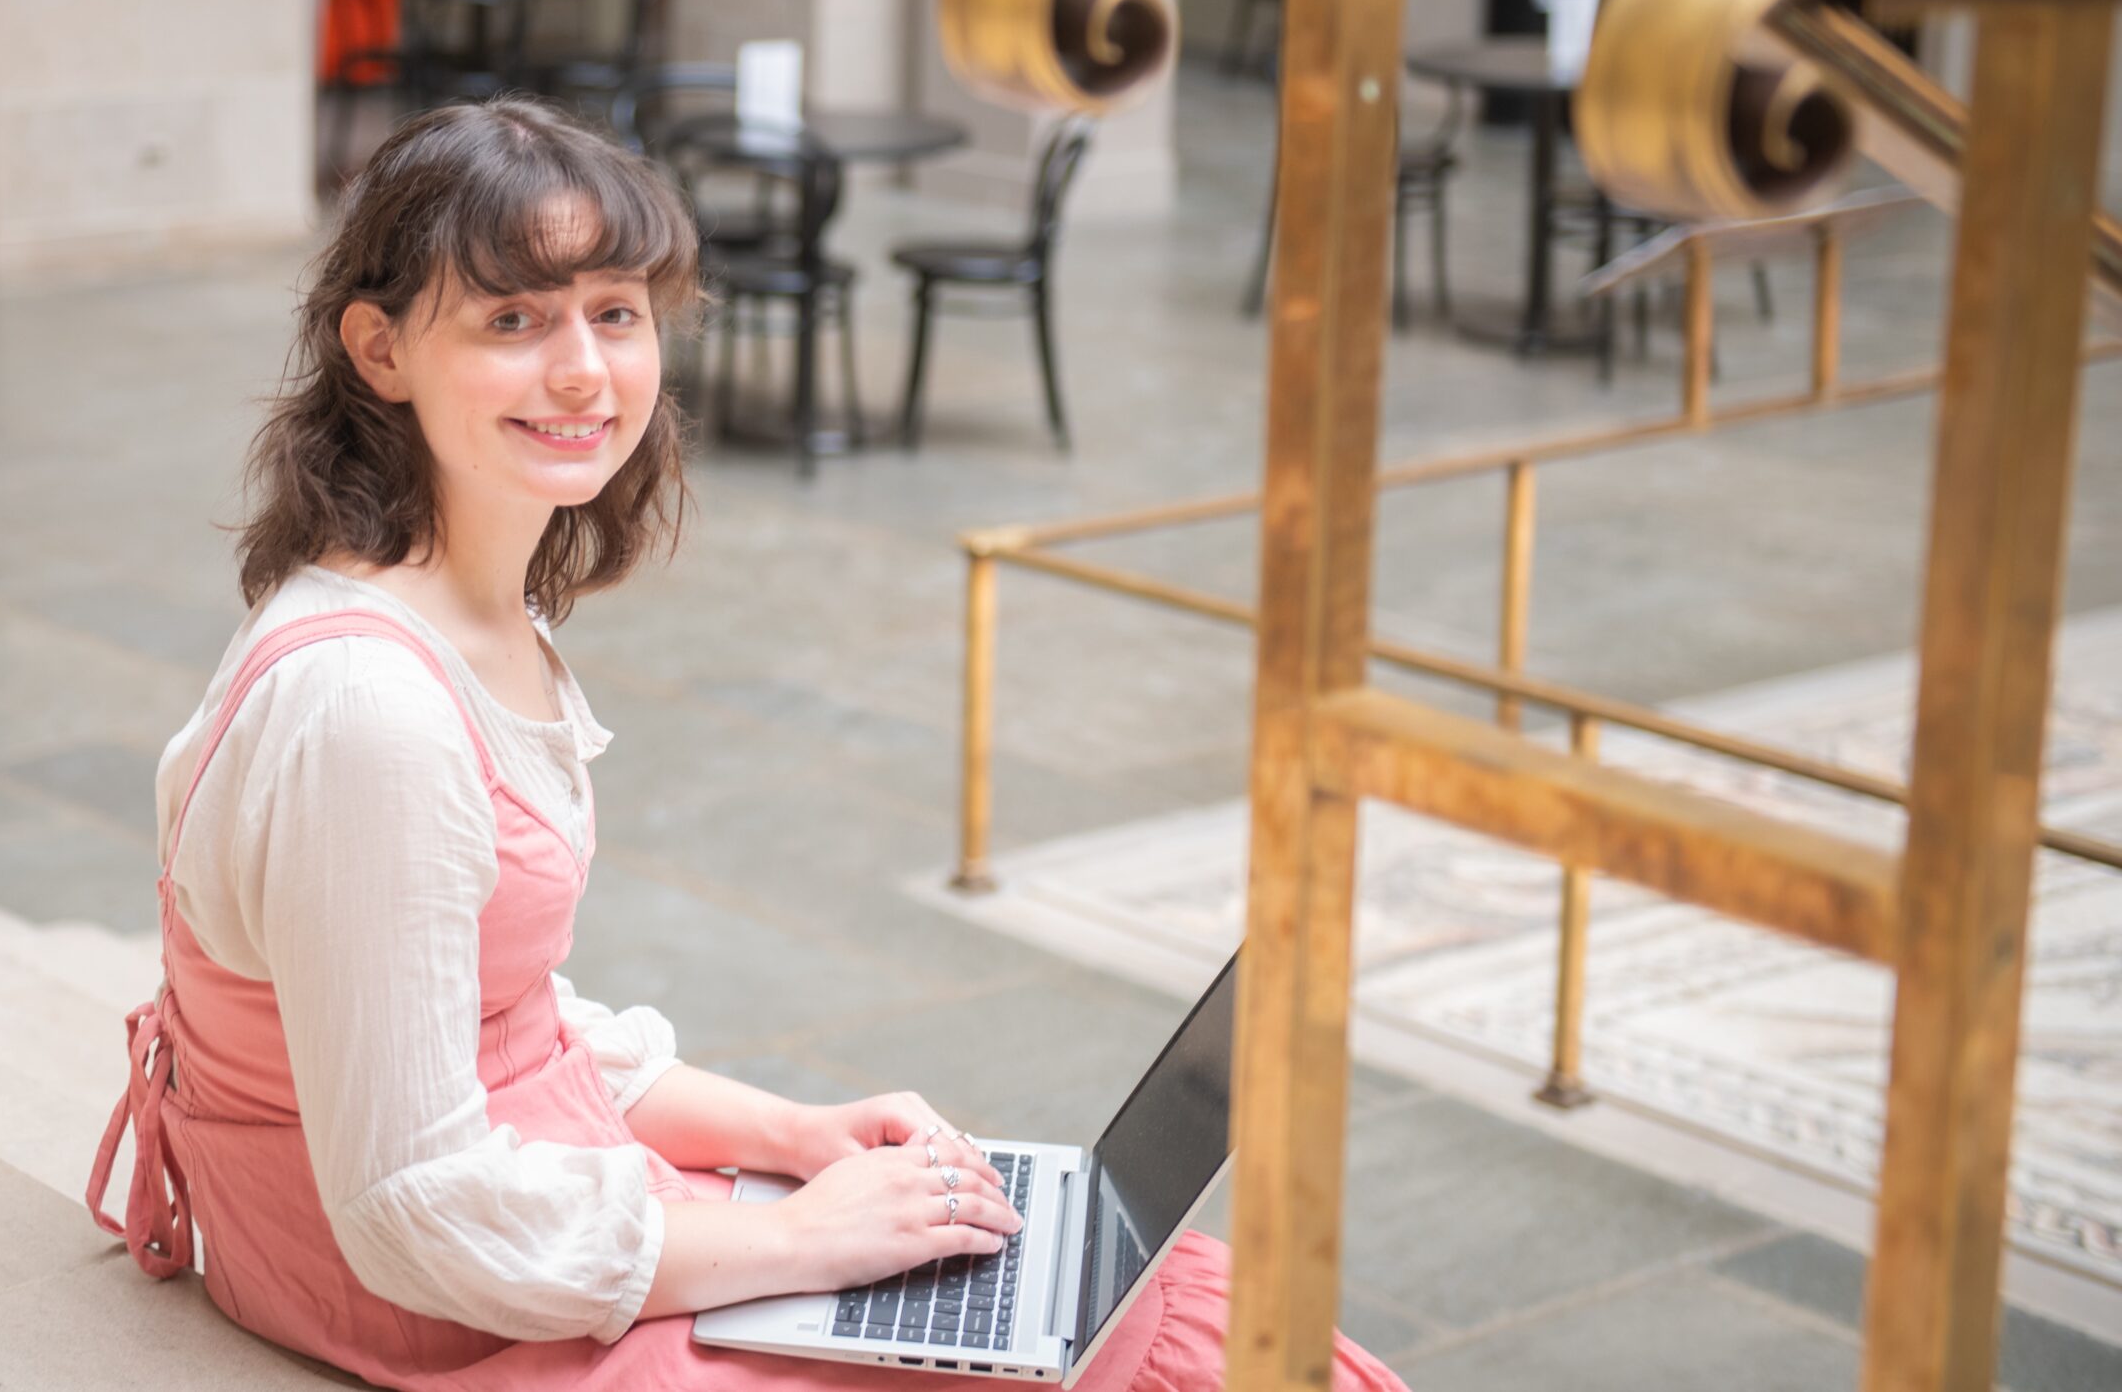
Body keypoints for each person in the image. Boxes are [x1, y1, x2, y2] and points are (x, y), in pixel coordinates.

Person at [87, 98, 1407, 1391]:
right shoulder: (368, 712)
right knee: (1140, 1341)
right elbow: (411, 1201)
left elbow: (505, 1023)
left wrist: (792, 1136)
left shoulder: (478, 609)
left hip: (519, 1218)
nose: (584, 370)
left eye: (616, 312)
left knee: (1132, 1297)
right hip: (433, 1294)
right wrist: (789, 1234)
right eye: (513, 320)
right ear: (378, 349)